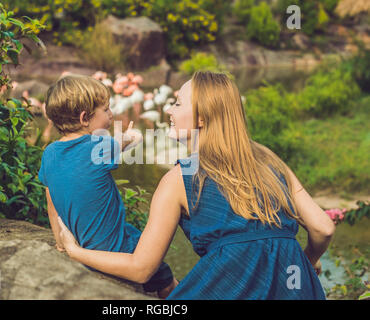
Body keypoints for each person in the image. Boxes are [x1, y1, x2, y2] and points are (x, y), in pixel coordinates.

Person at [57, 71, 335, 300]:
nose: (168, 109)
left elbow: (141, 269)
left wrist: (75, 251)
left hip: (231, 288)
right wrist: (306, 260)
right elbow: (323, 227)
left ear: (201, 118)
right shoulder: (270, 160)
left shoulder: (179, 179)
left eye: (177, 103)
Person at [38, 74, 178, 298]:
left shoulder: (49, 153)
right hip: (117, 249)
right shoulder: (97, 147)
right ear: (85, 118)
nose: (111, 115)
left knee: (133, 231)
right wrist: (131, 136)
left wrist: (60, 243)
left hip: (84, 245)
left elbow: (51, 202)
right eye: (106, 110)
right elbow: (122, 142)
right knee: (168, 280)